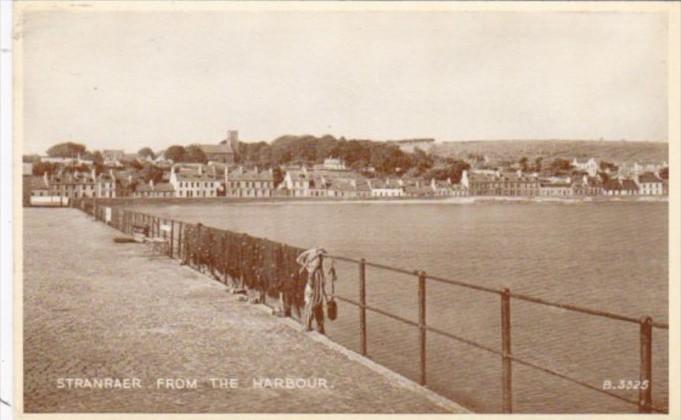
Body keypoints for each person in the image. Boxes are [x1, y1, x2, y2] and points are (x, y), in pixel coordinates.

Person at [296, 247, 328, 334]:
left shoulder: (309, 266)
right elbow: (313, 274)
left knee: (310, 301)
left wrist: (310, 251)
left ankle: (308, 324)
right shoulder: (316, 268)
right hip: (314, 283)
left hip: (311, 282)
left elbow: (298, 259)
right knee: (313, 301)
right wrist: (315, 252)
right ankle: (309, 325)